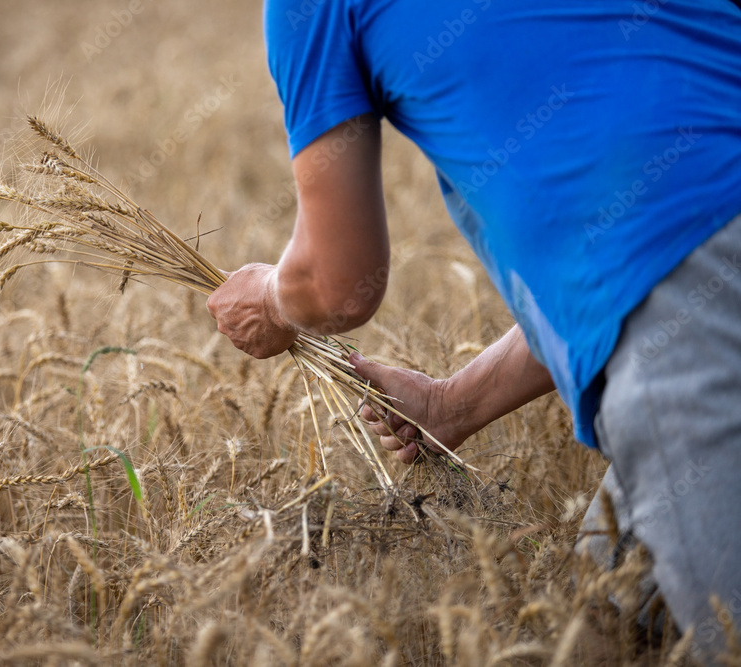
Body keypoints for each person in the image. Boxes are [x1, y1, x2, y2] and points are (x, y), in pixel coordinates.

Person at [206, 0, 741, 660]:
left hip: (704, 338)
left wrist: (270, 298)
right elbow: (633, 274)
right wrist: (451, 403)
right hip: (697, 307)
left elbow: (338, 283)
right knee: (598, 631)